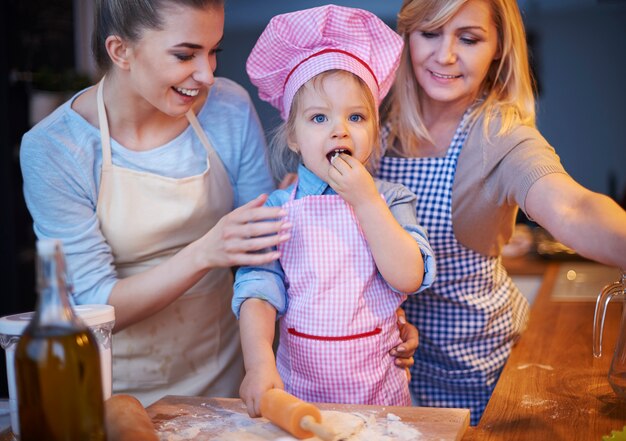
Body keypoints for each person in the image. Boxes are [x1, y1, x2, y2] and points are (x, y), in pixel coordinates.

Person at [19, 0, 418, 407]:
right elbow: (93, 308)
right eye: (185, 54)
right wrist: (205, 253)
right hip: (115, 390)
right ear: (120, 50)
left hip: (226, 383)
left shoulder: (228, 107)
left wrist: (373, 314)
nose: (208, 74)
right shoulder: (54, 148)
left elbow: (271, 259)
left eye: (214, 52)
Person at [378, 0, 626, 425]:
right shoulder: (371, 123)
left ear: (498, 47)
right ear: (405, 37)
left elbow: (572, 205)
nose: (446, 55)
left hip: (478, 372)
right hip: (385, 369)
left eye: (469, 38)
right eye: (430, 33)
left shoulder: (501, 135)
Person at [232, 5, 437, 417]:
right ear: (293, 136)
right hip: (300, 393)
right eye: (319, 117)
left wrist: (366, 200)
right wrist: (258, 363)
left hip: (380, 397)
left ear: (373, 131)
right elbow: (257, 290)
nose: (339, 129)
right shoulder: (277, 208)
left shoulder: (392, 199)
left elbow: (409, 276)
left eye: (356, 116)